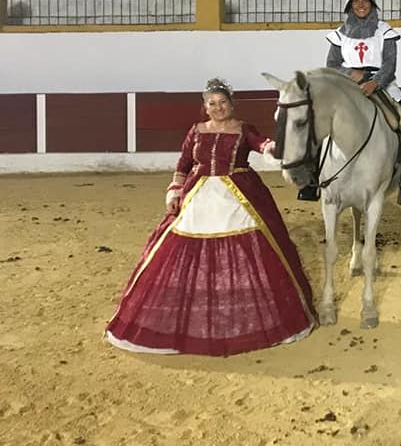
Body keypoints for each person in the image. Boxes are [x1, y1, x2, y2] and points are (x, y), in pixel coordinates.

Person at [105, 78, 317, 356]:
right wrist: (174, 192)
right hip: (198, 196)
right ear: (205, 107)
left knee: (256, 250)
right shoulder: (196, 131)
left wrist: (277, 145)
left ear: (232, 103)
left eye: (223, 102)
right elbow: (183, 164)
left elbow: (262, 144)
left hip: (239, 196)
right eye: (212, 104)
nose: (218, 108)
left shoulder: (243, 129)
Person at [298, 0, 401, 205]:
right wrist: (352, 75)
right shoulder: (339, 34)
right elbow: (332, 65)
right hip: (346, 87)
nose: (361, 5)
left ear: (372, 3)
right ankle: (310, 179)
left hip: (382, 84)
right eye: (356, 1)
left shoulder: (384, 30)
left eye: (365, 0)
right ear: (350, 6)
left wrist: (375, 82)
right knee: (316, 118)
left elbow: (389, 64)